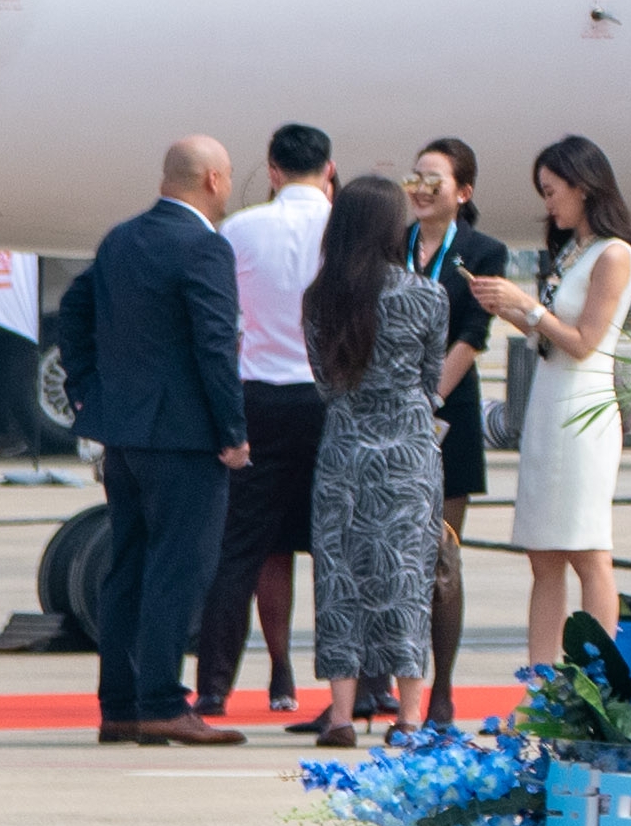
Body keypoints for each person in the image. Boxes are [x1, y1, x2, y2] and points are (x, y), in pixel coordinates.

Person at [54, 137, 250, 748]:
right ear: (214, 181)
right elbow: (215, 347)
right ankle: (163, 701)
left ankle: (120, 704)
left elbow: (73, 309)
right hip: (186, 437)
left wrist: (91, 389)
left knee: (129, 568)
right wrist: (233, 431)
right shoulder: (204, 248)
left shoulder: (122, 239)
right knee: (179, 568)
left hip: (126, 434)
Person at [463, 136, 631, 687]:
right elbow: (552, 335)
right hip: (548, 398)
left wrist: (528, 308)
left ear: (583, 188)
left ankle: (599, 681)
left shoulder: (614, 253)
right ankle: (541, 683)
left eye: (552, 191)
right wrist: (509, 308)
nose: (549, 204)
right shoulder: (571, 251)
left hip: (583, 404)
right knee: (543, 552)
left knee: (587, 547)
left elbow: (585, 340)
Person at [295, 174, 445, 744]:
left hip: (344, 447)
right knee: (406, 577)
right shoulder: (427, 294)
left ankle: (339, 715)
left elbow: (324, 384)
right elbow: (430, 382)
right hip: (407, 452)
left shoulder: (320, 298)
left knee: (338, 576)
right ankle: (408, 716)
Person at [200, 122, 336, 721]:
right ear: (328, 170)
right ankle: (354, 683)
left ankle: (224, 682)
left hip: (257, 396)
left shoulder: (240, 228)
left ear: (273, 171)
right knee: (337, 546)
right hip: (327, 398)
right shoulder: (345, 229)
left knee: (247, 550)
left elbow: (222, 318)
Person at [397, 138, 503, 703]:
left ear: (462, 192)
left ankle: (441, 689)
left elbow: (473, 336)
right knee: (389, 555)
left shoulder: (483, 252)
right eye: (415, 176)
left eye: (433, 179)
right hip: (390, 411)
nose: (420, 188)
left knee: (441, 552)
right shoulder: (394, 244)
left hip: (445, 412)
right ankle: (382, 685)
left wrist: (428, 395)